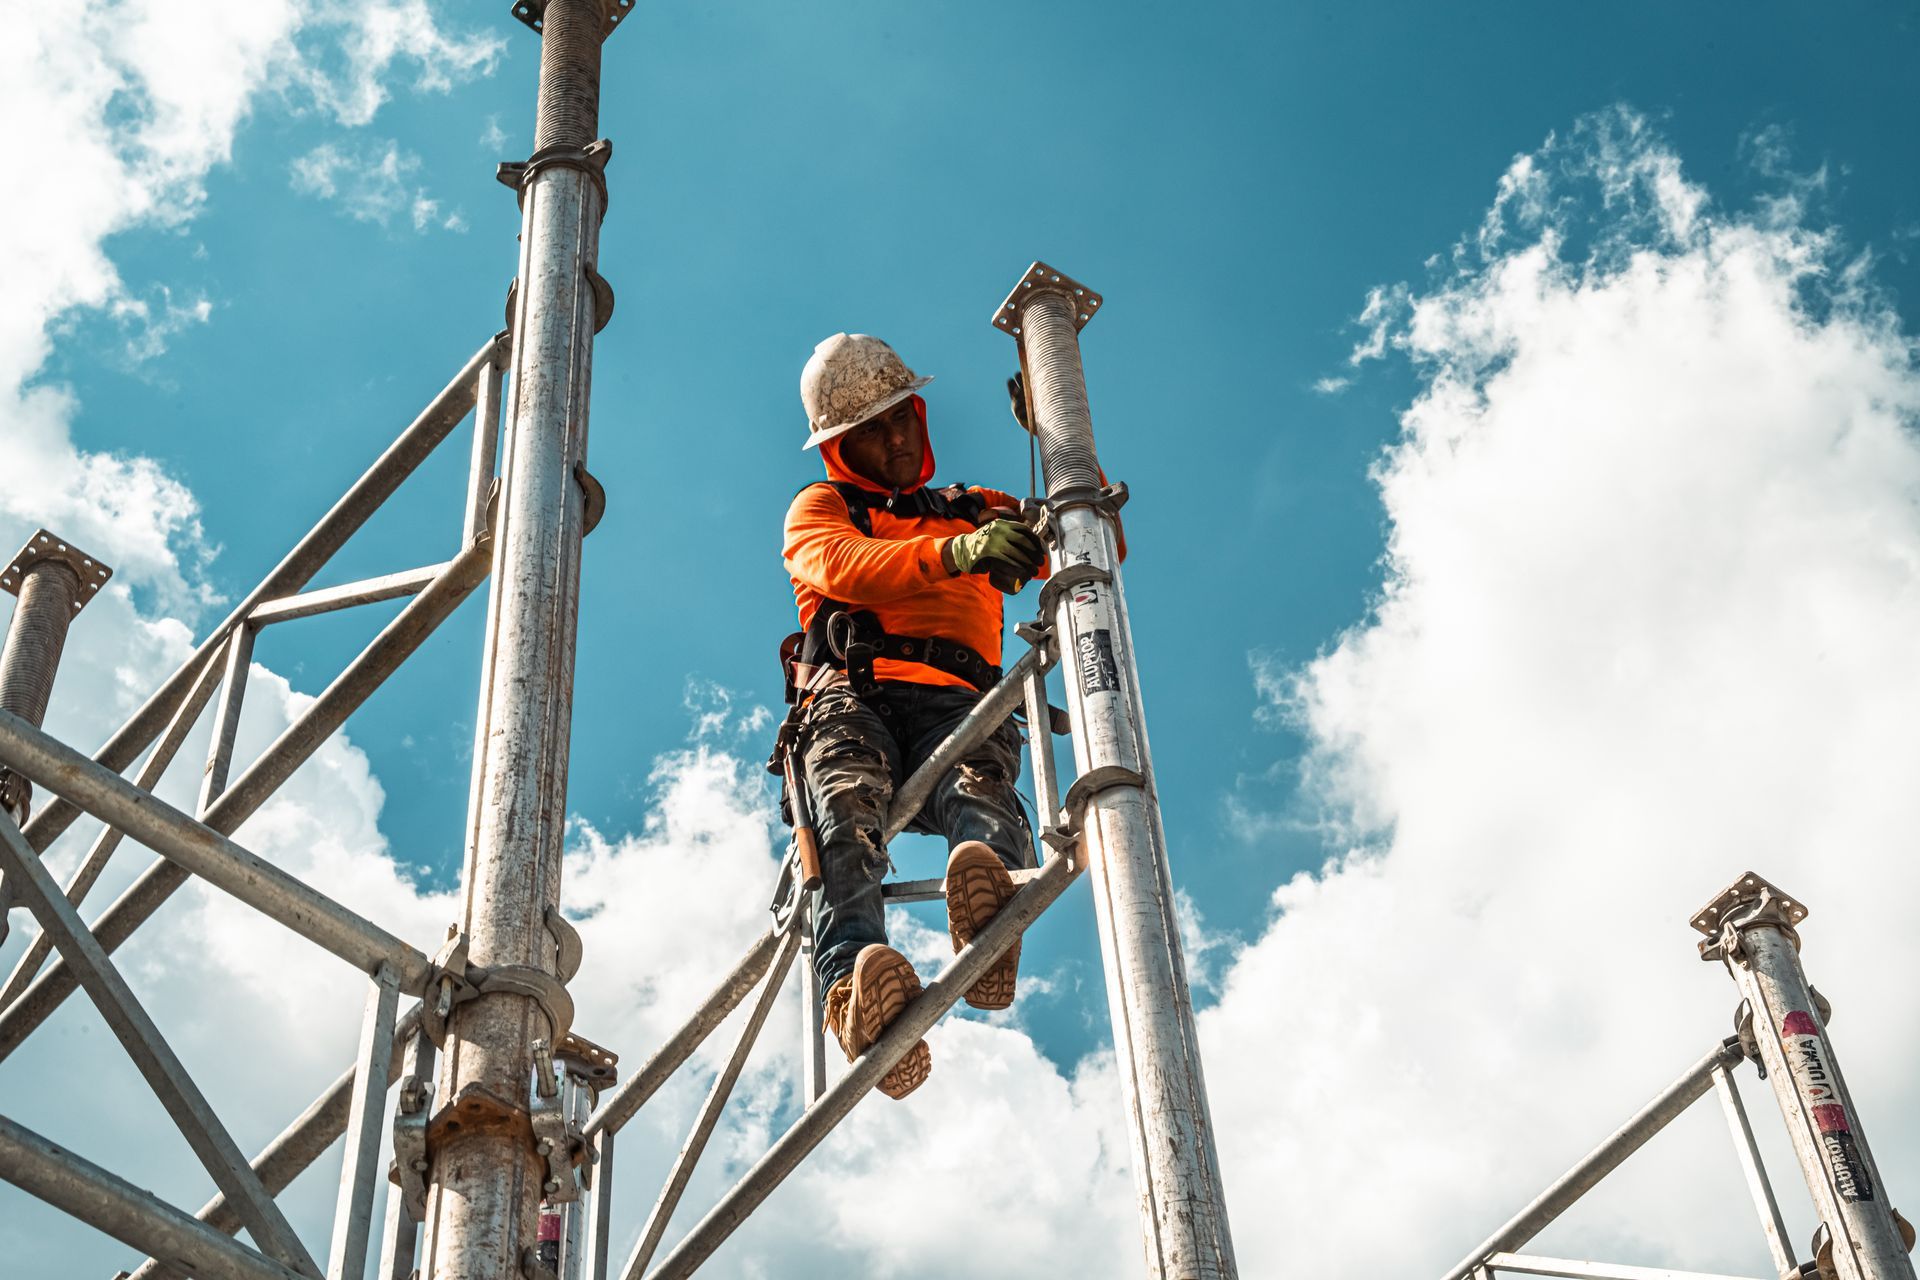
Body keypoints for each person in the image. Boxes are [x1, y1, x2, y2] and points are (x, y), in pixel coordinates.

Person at [781, 332, 1052, 1100]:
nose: (897, 438)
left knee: (978, 785)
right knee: (846, 818)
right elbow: (844, 567)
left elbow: (1096, 533)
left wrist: (1058, 439)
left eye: (903, 418)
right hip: (853, 695)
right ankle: (856, 989)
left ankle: (987, 907)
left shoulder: (972, 509)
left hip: (957, 698)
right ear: (839, 447)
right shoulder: (824, 506)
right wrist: (960, 557)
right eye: (873, 429)